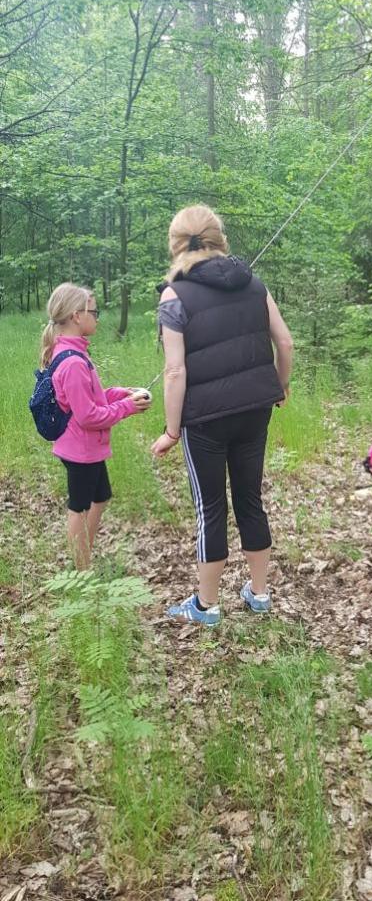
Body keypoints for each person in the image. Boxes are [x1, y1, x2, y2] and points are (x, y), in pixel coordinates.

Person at [151, 204, 293, 625]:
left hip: (205, 419)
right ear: (219, 237)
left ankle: (206, 605)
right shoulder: (254, 284)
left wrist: (171, 430)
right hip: (255, 409)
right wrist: (281, 385)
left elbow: (175, 371)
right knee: (250, 498)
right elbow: (285, 343)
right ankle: (259, 594)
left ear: (176, 244)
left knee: (210, 507)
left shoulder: (174, 295)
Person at [40, 282, 151, 570]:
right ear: (77, 316)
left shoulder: (75, 353)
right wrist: (128, 408)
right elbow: (88, 416)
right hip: (80, 450)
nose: (97, 318)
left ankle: (84, 555)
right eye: (94, 312)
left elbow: (90, 398)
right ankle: (81, 570)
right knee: (79, 507)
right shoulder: (73, 362)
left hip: (87, 448)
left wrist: (121, 394)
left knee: (101, 497)